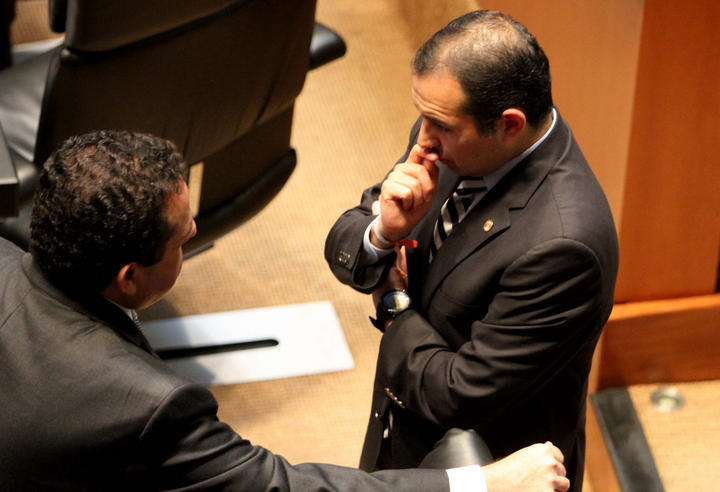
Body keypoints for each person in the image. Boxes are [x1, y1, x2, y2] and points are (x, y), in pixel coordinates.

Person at [0, 130, 570, 491]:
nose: (195, 231)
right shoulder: (151, 406)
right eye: (180, 236)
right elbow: (282, 488)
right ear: (128, 277)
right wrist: (480, 485)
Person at [325, 10, 619, 492]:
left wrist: (393, 305)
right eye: (422, 115)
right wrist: (382, 233)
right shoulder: (452, 134)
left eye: (438, 124)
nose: (422, 139)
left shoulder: (564, 247)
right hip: (403, 425)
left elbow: (459, 396)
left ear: (509, 125)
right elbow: (349, 237)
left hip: (490, 469)